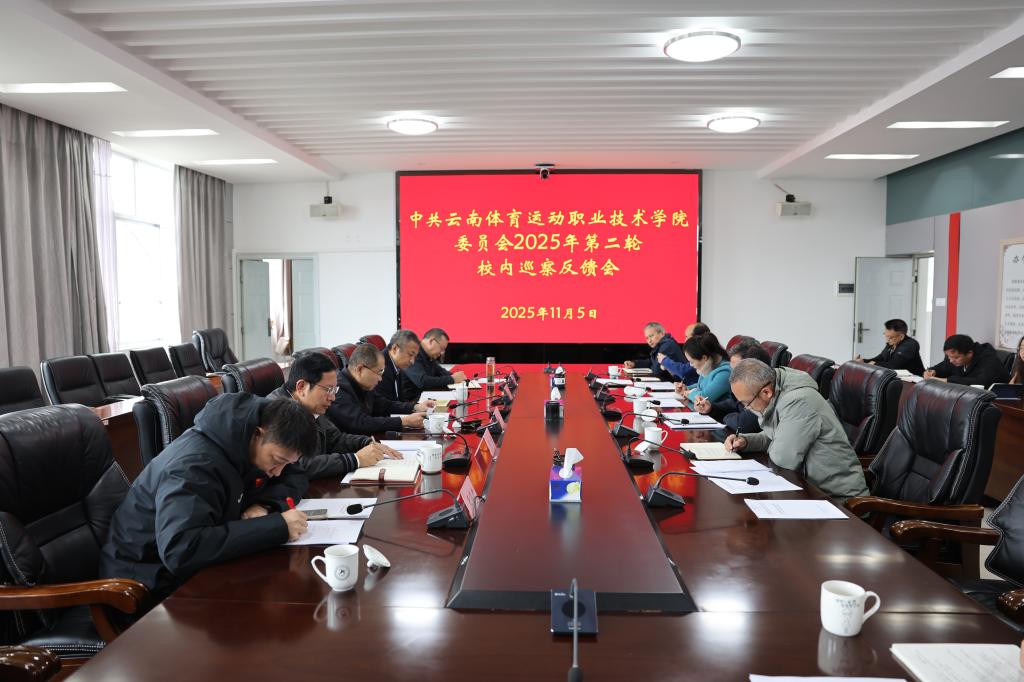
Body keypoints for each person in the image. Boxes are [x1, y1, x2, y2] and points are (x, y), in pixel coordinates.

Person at [100, 394, 317, 602]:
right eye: (277, 460)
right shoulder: (194, 466)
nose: (278, 472)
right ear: (258, 434)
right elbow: (181, 550)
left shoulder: (249, 442)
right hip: (144, 582)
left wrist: (265, 505)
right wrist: (277, 527)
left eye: (286, 463)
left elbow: (295, 475)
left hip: (191, 569)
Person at [724, 359, 869, 502]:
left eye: (747, 403)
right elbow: (779, 436)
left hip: (837, 499)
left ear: (766, 392)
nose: (747, 408)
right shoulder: (778, 389)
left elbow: (783, 459)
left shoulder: (799, 401)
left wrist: (774, 443)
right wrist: (746, 441)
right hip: (807, 488)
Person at [269, 350, 401, 478]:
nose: (332, 397)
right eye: (328, 389)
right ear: (301, 387)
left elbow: (335, 438)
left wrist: (366, 443)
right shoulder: (278, 412)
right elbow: (296, 465)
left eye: (334, 389)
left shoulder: (310, 405)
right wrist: (355, 459)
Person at [327, 343, 431, 435]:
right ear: (360, 369)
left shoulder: (363, 384)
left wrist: (415, 407)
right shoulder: (338, 389)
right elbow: (360, 423)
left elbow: (384, 405)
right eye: (379, 372)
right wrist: (403, 421)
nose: (380, 378)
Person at [692, 339, 768, 434]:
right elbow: (731, 405)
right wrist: (710, 408)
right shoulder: (745, 387)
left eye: (736, 371)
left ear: (755, 369)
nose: (731, 376)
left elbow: (741, 425)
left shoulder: (763, 392)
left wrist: (726, 417)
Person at [924, 334, 1009, 386]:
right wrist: (932, 371)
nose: (951, 361)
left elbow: (980, 383)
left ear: (969, 353)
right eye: (949, 356)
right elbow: (942, 368)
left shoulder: (989, 361)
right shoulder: (953, 358)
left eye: (956, 357)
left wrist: (947, 381)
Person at [404, 327, 468, 393]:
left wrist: (458, 377)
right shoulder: (413, 353)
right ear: (431, 341)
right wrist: (452, 379)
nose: (442, 353)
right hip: (411, 398)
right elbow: (422, 381)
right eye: (441, 348)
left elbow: (440, 371)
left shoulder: (429, 354)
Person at [623, 321, 689, 382]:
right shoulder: (661, 344)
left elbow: (656, 371)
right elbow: (652, 362)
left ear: (662, 333)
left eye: (651, 336)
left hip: (683, 384)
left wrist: (653, 366)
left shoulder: (667, 345)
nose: (649, 340)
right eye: (647, 338)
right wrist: (634, 364)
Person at [856, 318, 925, 375]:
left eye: (891, 337)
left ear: (901, 336)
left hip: (914, 381)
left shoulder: (910, 345)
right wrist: (864, 361)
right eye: (886, 336)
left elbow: (894, 365)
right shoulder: (892, 343)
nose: (887, 340)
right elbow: (880, 358)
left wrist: (875, 364)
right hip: (897, 379)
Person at [676, 332, 731, 402]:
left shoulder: (725, 373)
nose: (690, 365)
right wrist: (686, 388)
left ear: (704, 358)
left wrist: (689, 393)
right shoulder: (710, 364)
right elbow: (702, 386)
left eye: (692, 362)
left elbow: (703, 398)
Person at [377, 329, 422, 402]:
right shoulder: (381, 369)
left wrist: (415, 406)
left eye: (415, 357)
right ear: (395, 349)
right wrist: (413, 407)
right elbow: (386, 405)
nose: (412, 361)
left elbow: (400, 399)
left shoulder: (397, 365)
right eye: (410, 354)